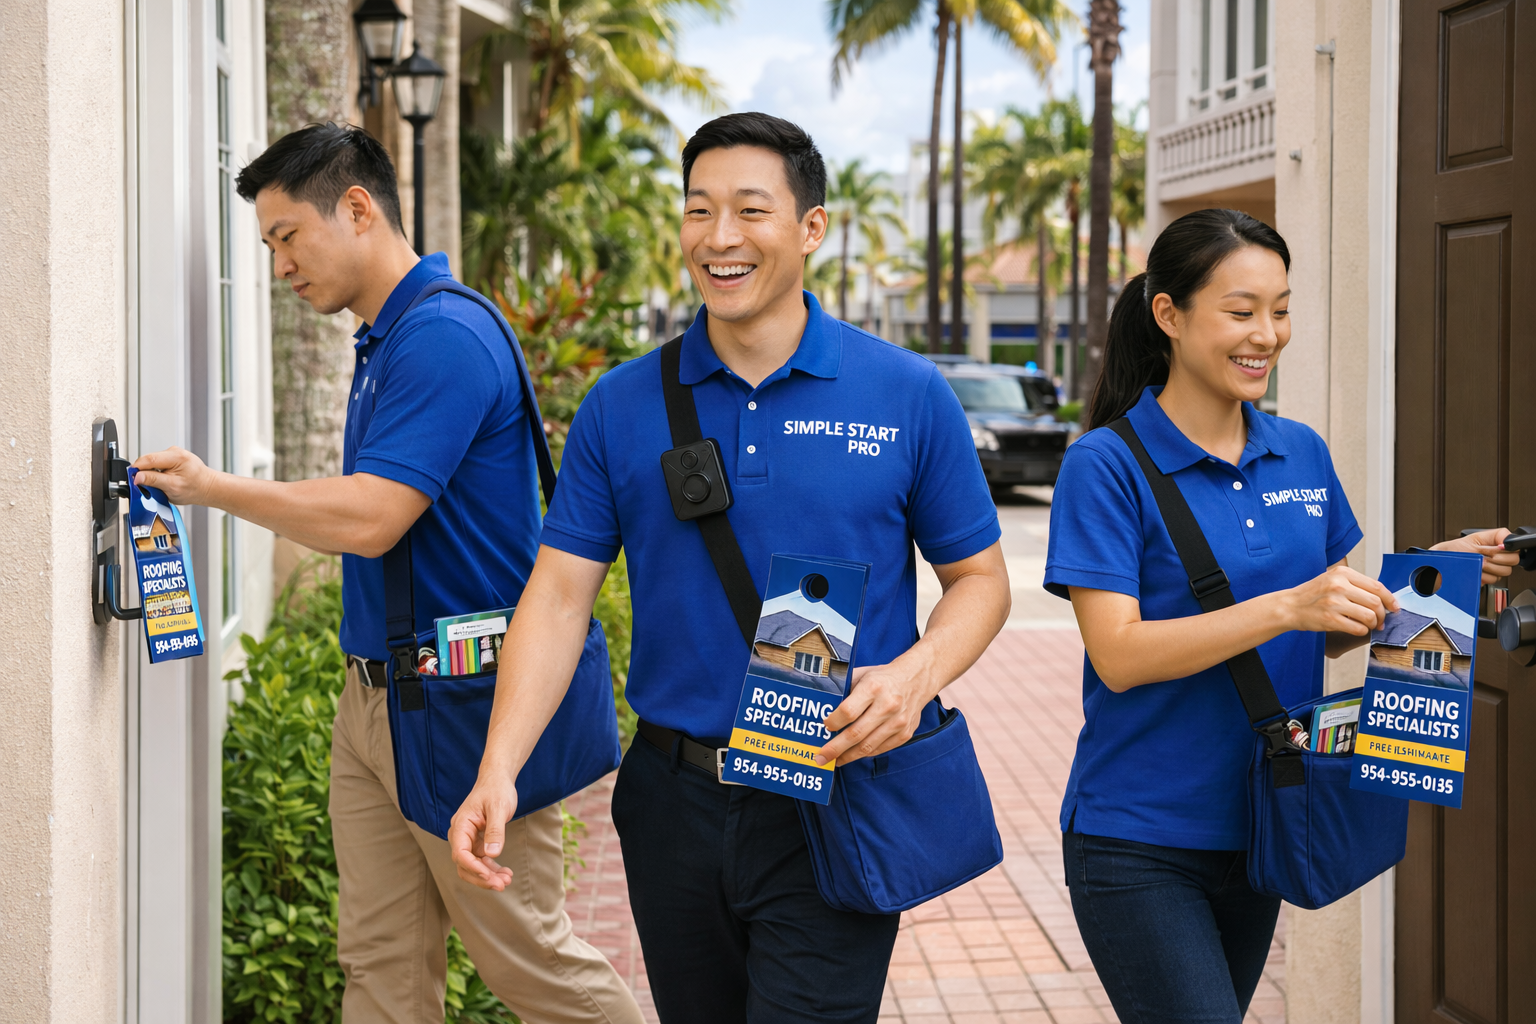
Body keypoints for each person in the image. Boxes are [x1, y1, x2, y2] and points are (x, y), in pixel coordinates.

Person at [448, 112, 1013, 1024]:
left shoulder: (906, 393)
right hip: (673, 802)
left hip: (833, 788)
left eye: (750, 210)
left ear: (811, 229)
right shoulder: (622, 404)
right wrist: (499, 767)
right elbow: (556, 599)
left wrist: (915, 677)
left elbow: (982, 582)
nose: (719, 238)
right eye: (697, 210)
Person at [132, 123, 643, 1024]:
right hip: (375, 707)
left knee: (532, 967)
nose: (279, 264)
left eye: (288, 236)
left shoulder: (441, 337)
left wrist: (212, 488)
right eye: (268, 245)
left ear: (358, 208)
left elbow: (372, 519)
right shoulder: (385, 339)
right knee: (380, 966)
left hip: (461, 709)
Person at [1044, 208, 1517, 1024]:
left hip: (1267, 816)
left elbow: (1328, 623)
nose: (1267, 334)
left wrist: (1433, 579)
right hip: (1139, 838)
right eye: (1241, 311)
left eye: (1281, 309)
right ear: (1169, 315)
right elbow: (1117, 653)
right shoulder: (1106, 464)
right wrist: (1287, 605)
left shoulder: (1300, 450)